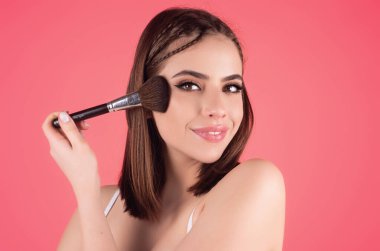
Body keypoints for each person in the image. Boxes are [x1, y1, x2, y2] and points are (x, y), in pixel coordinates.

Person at [42, 7, 285, 251]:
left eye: (231, 87)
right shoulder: (102, 204)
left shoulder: (257, 186)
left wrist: (85, 188)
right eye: (189, 85)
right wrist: (89, 197)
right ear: (145, 103)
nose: (218, 108)